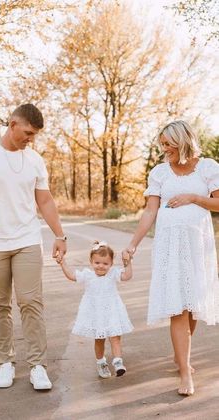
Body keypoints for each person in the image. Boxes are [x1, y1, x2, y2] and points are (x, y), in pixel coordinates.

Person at [122, 120, 219, 396]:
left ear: (183, 140)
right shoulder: (160, 173)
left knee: (193, 304)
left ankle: (181, 355)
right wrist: (132, 244)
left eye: (168, 144)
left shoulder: (209, 167)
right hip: (169, 247)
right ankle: (185, 371)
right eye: (162, 144)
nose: (164, 149)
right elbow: (150, 212)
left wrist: (192, 197)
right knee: (179, 307)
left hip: (197, 246)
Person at [0, 104, 67, 390]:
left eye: (34, 135)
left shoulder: (34, 160)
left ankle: (37, 366)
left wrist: (60, 235)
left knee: (31, 302)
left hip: (27, 240)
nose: (30, 139)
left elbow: (44, 201)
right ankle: (4, 362)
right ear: (12, 124)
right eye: (28, 133)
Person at [56, 240, 133, 378]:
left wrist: (128, 263)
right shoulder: (88, 275)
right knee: (99, 339)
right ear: (91, 261)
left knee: (115, 337)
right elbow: (71, 276)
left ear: (111, 264)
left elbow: (127, 276)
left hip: (112, 311)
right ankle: (101, 362)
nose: (101, 266)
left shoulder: (113, 274)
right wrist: (63, 263)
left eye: (105, 263)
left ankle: (118, 362)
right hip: (96, 313)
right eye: (97, 263)